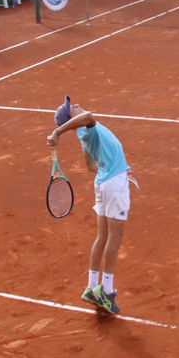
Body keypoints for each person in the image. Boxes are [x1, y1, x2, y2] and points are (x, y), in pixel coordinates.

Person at [46, 96, 132, 315]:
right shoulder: (87, 125)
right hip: (113, 184)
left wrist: (116, 168)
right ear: (71, 118)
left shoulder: (84, 135)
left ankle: (92, 287)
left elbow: (89, 166)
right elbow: (88, 115)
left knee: (102, 237)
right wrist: (57, 133)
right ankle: (107, 289)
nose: (75, 105)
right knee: (114, 237)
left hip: (105, 181)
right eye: (70, 108)